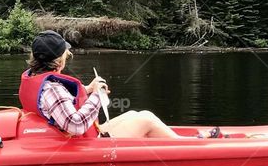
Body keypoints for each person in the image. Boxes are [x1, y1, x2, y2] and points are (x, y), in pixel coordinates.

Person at [18, 30, 183, 139]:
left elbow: (57, 104)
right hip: (89, 142)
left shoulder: (35, 78)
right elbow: (76, 125)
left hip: (87, 135)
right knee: (146, 121)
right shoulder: (52, 89)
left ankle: (184, 141)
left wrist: (88, 89)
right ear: (59, 60)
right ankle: (189, 146)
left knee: (139, 113)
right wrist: (96, 95)